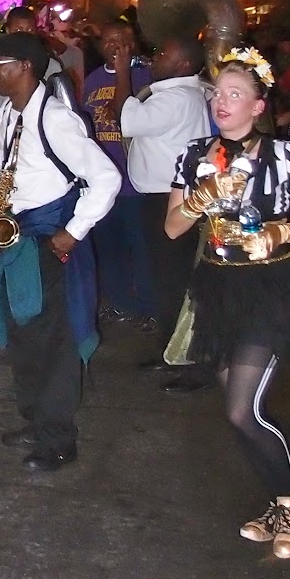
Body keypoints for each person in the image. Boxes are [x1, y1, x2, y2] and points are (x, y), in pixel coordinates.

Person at [165, 48, 290, 559]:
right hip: (218, 290)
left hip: (269, 289)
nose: (222, 101)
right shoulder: (195, 154)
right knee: (237, 412)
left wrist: (282, 232)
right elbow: (172, 228)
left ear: (258, 106)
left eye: (235, 94)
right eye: (218, 93)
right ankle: (280, 501)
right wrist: (201, 196)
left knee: (242, 410)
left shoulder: (283, 156)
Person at [0, 32, 121, 473]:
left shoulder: (56, 119)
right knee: (23, 336)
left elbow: (106, 178)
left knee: (55, 343)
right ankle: (34, 419)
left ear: (24, 67)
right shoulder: (8, 114)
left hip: (48, 242)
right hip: (17, 238)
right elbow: (1, 167)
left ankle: (59, 439)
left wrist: (73, 232)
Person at [113, 37, 212, 384]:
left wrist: (122, 73)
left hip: (168, 200)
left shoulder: (175, 98)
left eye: (165, 53)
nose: (155, 57)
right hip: (164, 197)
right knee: (167, 279)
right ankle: (171, 350)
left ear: (184, 65)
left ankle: (189, 361)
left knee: (174, 281)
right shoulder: (180, 94)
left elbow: (125, 119)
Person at [81, 20, 154, 323]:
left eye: (120, 40)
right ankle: (120, 302)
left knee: (142, 250)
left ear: (132, 43)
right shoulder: (93, 79)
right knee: (110, 249)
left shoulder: (147, 76)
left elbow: (131, 119)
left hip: (136, 183)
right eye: (108, 40)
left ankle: (149, 309)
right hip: (103, 183)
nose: (113, 46)